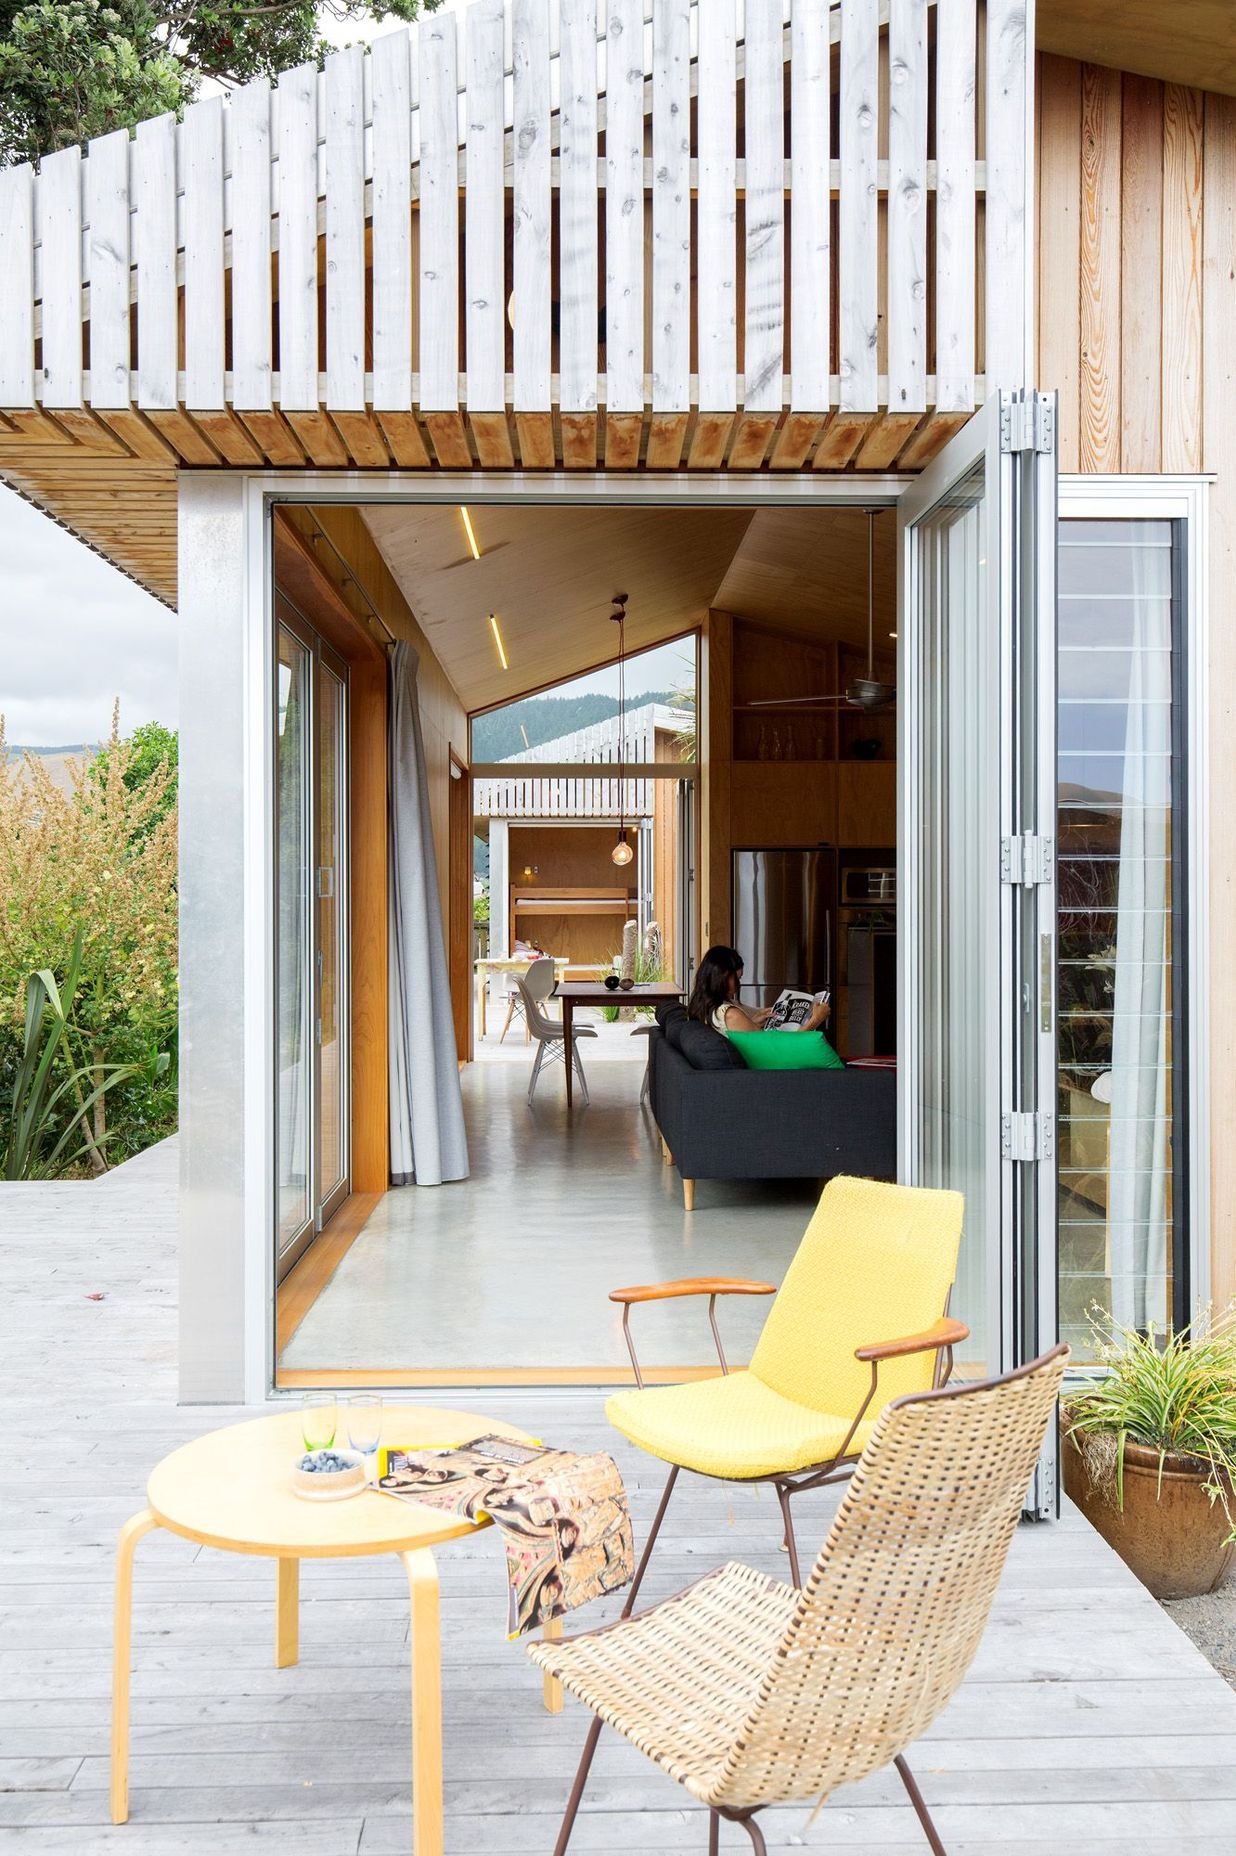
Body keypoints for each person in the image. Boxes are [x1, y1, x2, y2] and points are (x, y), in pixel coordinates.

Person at [685, 944, 830, 1037]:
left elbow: (739, 1034)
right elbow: (777, 1052)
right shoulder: (730, 1014)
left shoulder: (706, 1006)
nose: (737, 985)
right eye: (737, 979)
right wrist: (815, 1021)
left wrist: (752, 1022)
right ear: (722, 976)